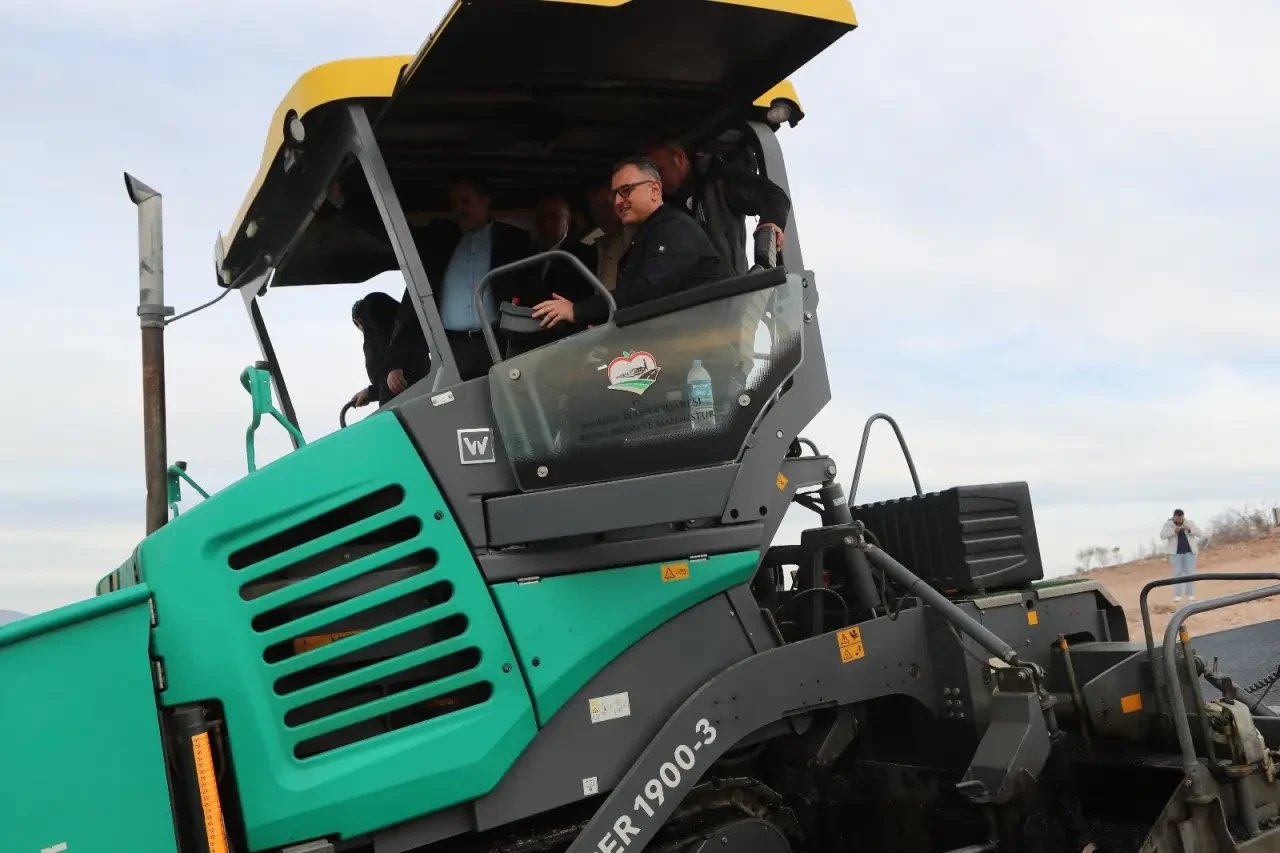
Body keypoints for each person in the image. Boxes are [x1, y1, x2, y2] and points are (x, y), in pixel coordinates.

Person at [531, 156, 726, 329]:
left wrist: (577, 311)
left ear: (655, 190)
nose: (617, 201)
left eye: (625, 190)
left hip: (697, 347)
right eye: (615, 194)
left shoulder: (675, 228)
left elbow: (647, 291)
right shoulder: (649, 232)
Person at [382, 178, 537, 393]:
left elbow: (532, 292)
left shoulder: (514, 240)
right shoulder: (439, 239)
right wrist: (339, 199)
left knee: (506, 403)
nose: (459, 210)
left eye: (465, 202)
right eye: (454, 205)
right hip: (451, 349)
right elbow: (390, 230)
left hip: (499, 343)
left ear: (485, 201)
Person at [643, 137, 790, 277]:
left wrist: (770, 223)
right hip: (686, 299)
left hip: (730, 293)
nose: (657, 181)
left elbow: (773, 196)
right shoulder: (660, 208)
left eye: (660, 171)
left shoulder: (719, 177)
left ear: (680, 158)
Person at [347, 291, 401, 408]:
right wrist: (370, 392)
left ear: (358, 322)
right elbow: (388, 382)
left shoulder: (372, 305)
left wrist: (393, 366)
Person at [582, 181, 634, 291]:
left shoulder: (636, 239)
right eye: (595, 210)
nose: (602, 214)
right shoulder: (592, 247)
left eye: (606, 206)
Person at [1160, 509, 1203, 602]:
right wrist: (1174, 531)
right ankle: (1177, 595)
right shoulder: (1168, 524)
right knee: (1177, 574)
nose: (1180, 520)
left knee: (1190, 573)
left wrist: (1189, 529)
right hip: (1175, 553)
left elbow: (1199, 533)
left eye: (1181, 518)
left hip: (1190, 552)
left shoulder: (1189, 523)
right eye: (1178, 519)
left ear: (1183, 517)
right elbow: (1162, 535)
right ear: (1174, 517)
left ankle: (1190, 594)